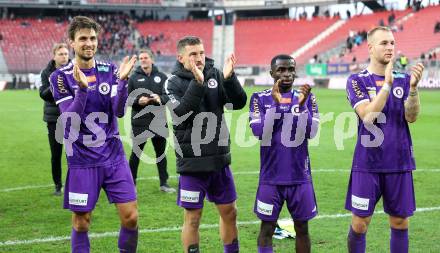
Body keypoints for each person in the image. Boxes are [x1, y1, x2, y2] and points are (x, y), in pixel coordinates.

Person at [49, 16, 138, 253]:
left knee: (131, 217)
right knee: (81, 222)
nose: (89, 43)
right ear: (72, 43)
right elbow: (70, 121)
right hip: (81, 160)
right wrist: (82, 90)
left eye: (92, 38)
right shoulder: (59, 77)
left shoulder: (109, 70)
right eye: (83, 39)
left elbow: (118, 111)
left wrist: (123, 82)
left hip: (113, 156)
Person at [163, 36, 247, 253]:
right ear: (180, 57)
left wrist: (229, 79)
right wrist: (198, 83)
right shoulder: (171, 82)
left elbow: (237, 103)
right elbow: (180, 113)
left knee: (230, 212)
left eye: (201, 53)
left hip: (219, 159)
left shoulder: (215, 74)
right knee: (193, 218)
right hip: (192, 163)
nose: (199, 58)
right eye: (193, 54)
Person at [345, 26, 424, 253]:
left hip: (399, 162)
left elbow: (411, 116)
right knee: (360, 224)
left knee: (400, 222)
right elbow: (368, 116)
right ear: (370, 48)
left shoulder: (404, 79)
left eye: (392, 43)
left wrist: (414, 90)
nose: (390, 47)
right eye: (384, 43)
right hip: (367, 163)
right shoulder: (356, 80)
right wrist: (387, 85)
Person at [249, 55, 319, 253]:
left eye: (290, 69)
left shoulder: (307, 97)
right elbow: (260, 133)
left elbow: (311, 132)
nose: (286, 74)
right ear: (272, 73)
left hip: (300, 177)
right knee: (267, 228)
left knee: (302, 228)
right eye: (281, 70)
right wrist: (277, 105)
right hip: (271, 177)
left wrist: (303, 105)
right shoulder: (259, 99)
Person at [127, 48, 175, 193]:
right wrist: (137, 101)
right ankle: (130, 184)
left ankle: (164, 183)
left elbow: (169, 97)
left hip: (158, 121)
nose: (143, 60)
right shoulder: (133, 78)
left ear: (152, 59)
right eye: (141, 58)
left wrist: (160, 98)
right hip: (140, 123)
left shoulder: (161, 76)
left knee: (160, 154)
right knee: (136, 154)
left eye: (145, 57)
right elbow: (127, 100)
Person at [39, 43, 70, 196]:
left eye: (66, 54)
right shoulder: (46, 72)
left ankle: (73, 184)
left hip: (72, 117)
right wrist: (56, 85)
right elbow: (43, 94)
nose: (64, 57)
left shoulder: (75, 69)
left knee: (73, 153)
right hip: (54, 118)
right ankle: (58, 186)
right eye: (61, 54)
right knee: (56, 154)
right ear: (54, 56)